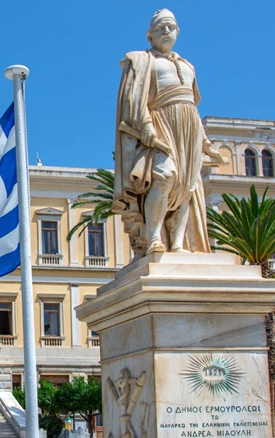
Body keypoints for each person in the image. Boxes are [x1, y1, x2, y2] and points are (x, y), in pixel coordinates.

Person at [112, 9, 225, 257]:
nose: (166, 31)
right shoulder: (140, 60)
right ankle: (153, 237)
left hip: (188, 132)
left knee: (187, 186)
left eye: (171, 27)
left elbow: (192, 108)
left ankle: (177, 244)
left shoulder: (188, 66)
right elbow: (134, 98)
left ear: (178, 32)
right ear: (149, 35)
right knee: (164, 176)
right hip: (160, 125)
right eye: (161, 27)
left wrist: (205, 143)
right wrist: (146, 126)